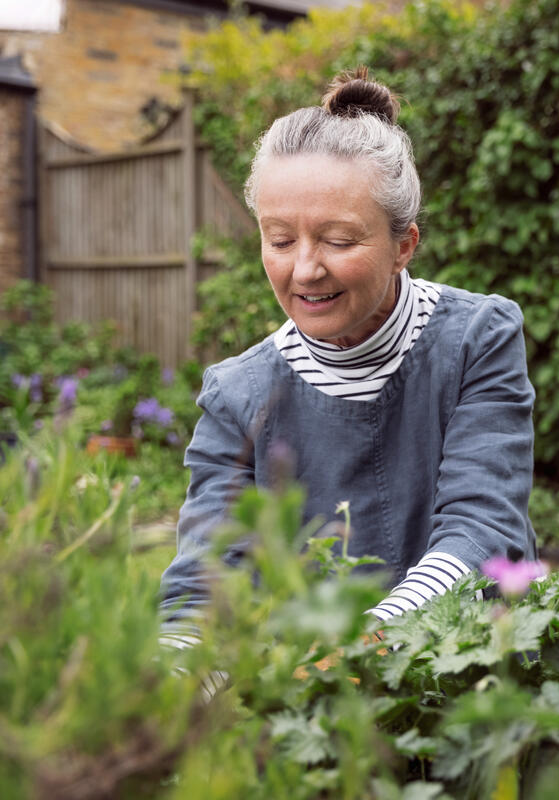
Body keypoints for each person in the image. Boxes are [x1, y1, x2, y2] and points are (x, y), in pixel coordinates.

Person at [158, 68, 537, 648]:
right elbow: (205, 586)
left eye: (338, 241)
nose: (305, 270)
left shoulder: (475, 340)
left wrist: (362, 645)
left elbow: (483, 530)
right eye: (280, 240)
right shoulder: (238, 395)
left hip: (471, 666)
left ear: (403, 246)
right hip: (305, 695)